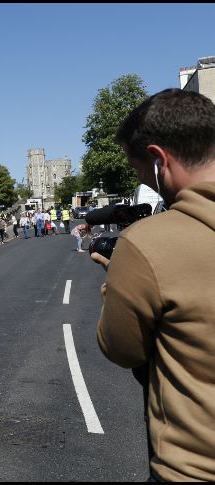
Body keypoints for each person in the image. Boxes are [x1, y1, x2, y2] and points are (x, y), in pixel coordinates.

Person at [93, 89, 215, 481]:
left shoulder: (149, 242)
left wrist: (118, 281)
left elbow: (122, 348)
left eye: (139, 170)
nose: (144, 180)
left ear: (160, 159)